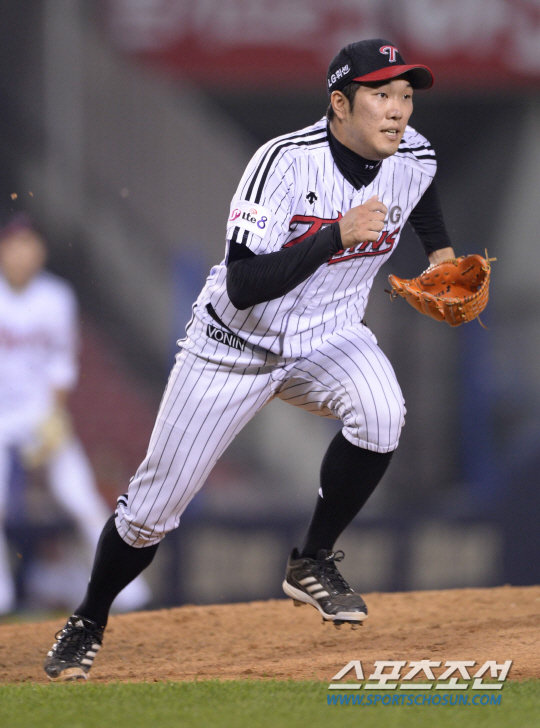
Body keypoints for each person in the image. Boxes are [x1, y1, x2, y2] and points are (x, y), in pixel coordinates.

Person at [44, 38, 455, 681]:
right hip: (234, 346)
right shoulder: (282, 162)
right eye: (381, 94)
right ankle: (88, 619)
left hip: (327, 338)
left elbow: (419, 191)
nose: (399, 109)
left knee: (382, 414)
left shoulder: (413, 153)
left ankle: (312, 559)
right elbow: (243, 283)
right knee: (150, 513)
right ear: (339, 104)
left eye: (406, 95)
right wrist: (336, 234)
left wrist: (441, 255)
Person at [0, 217, 150, 615]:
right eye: (14, 245)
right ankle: (1, 598)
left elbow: (62, 363)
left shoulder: (56, 297)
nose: (22, 254)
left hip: (41, 415)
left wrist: (53, 416)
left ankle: (128, 593)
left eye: (29, 245)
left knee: (81, 499)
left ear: (41, 251)